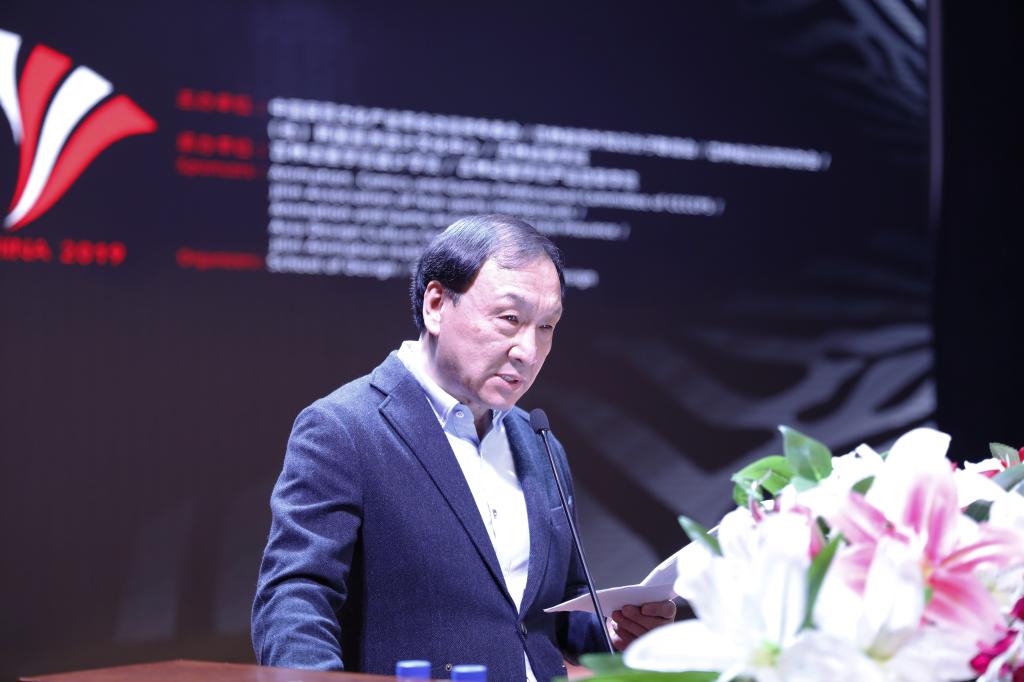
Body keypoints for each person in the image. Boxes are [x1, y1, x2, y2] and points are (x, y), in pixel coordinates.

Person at [251, 214, 675, 681]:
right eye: (510, 319)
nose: (528, 351)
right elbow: (295, 597)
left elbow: (547, 612)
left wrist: (614, 631)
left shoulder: (540, 442)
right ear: (436, 305)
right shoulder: (344, 428)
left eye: (546, 326)